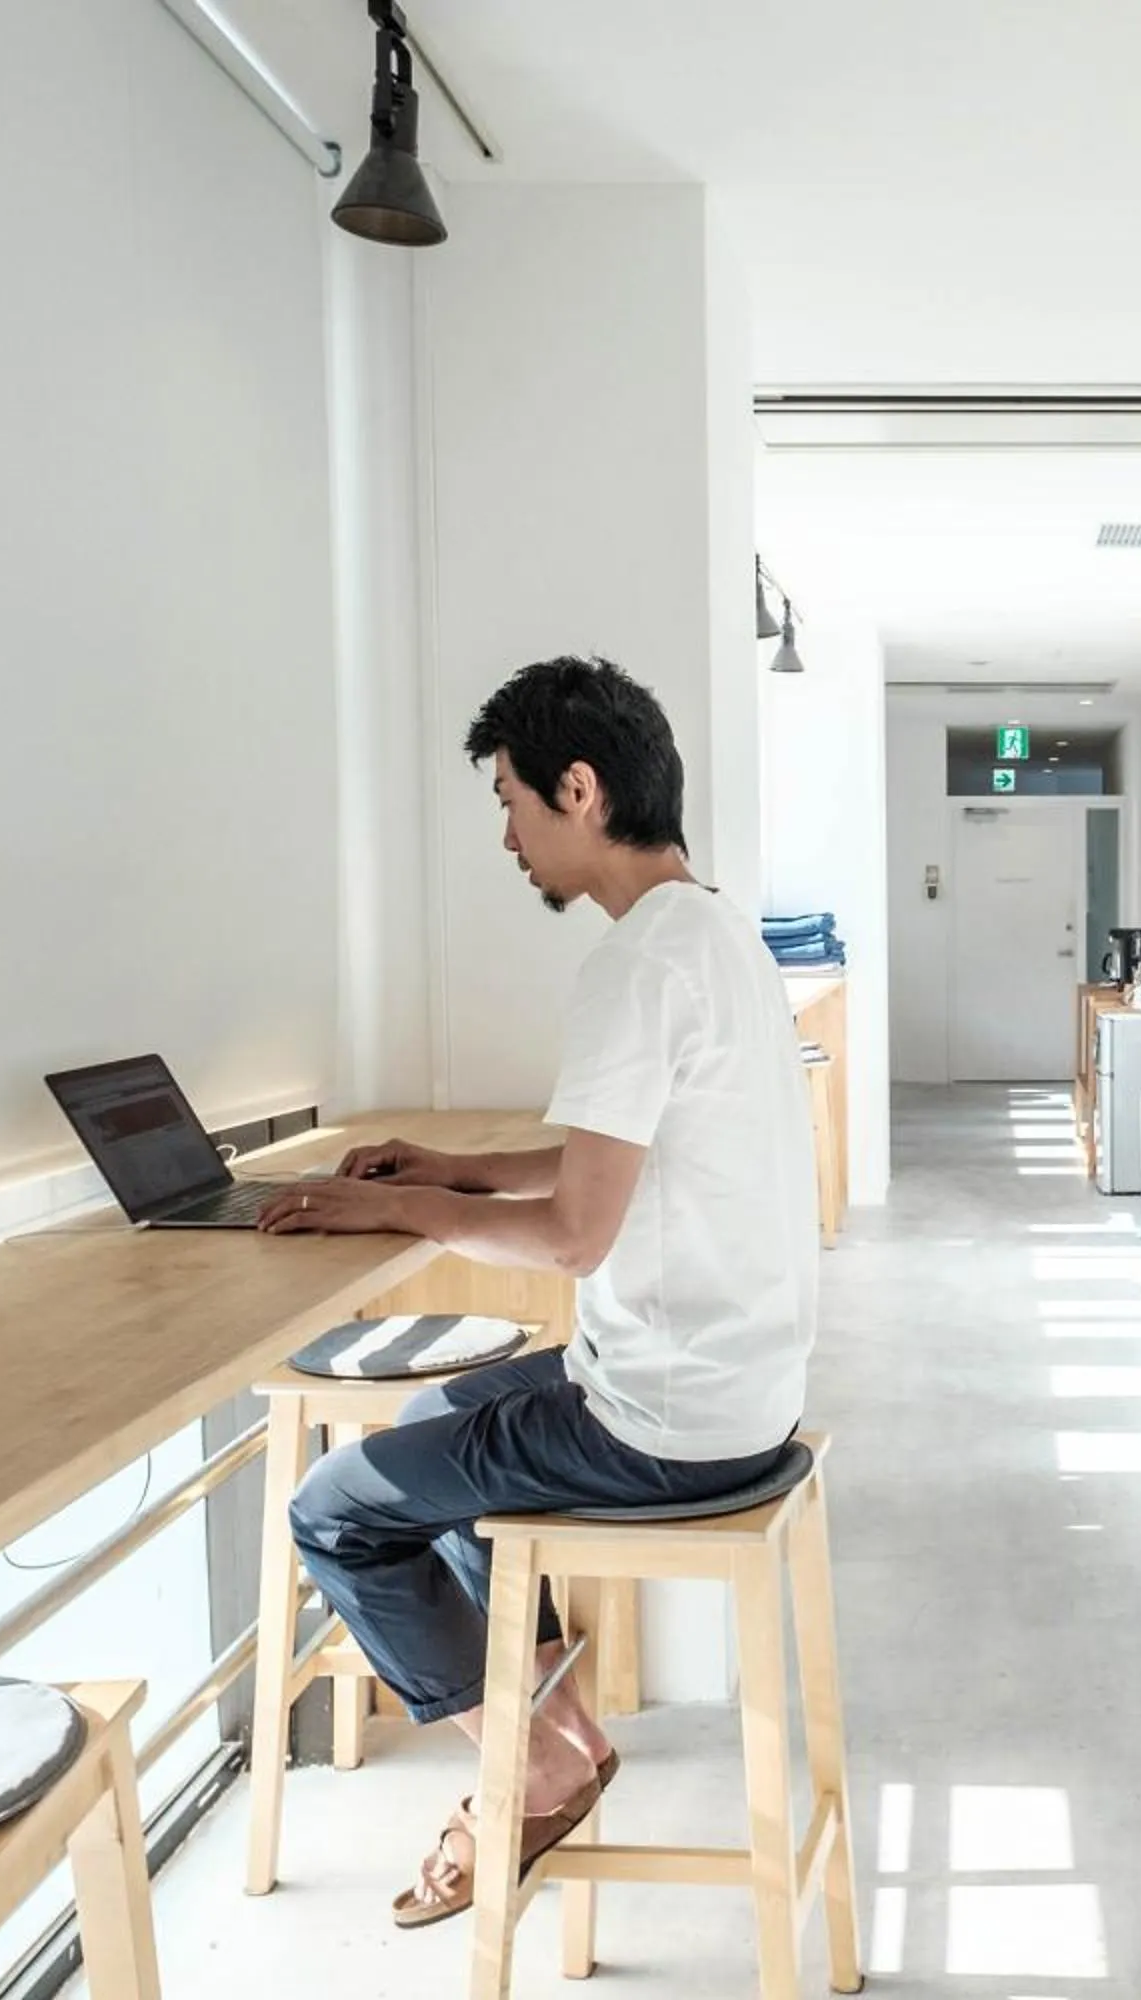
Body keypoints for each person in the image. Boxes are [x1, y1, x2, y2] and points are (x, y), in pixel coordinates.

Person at [257, 654, 819, 1926]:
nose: (506, 834)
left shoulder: (635, 966)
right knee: (416, 1429)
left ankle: (533, 1763)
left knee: (332, 1510)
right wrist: (451, 1169)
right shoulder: (714, 929)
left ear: (581, 787)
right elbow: (616, 1153)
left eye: (511, 800)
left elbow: (573, 1235)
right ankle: (553, 1734)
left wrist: (400, 1203)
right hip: (740, 1394)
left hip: (664, 1423)